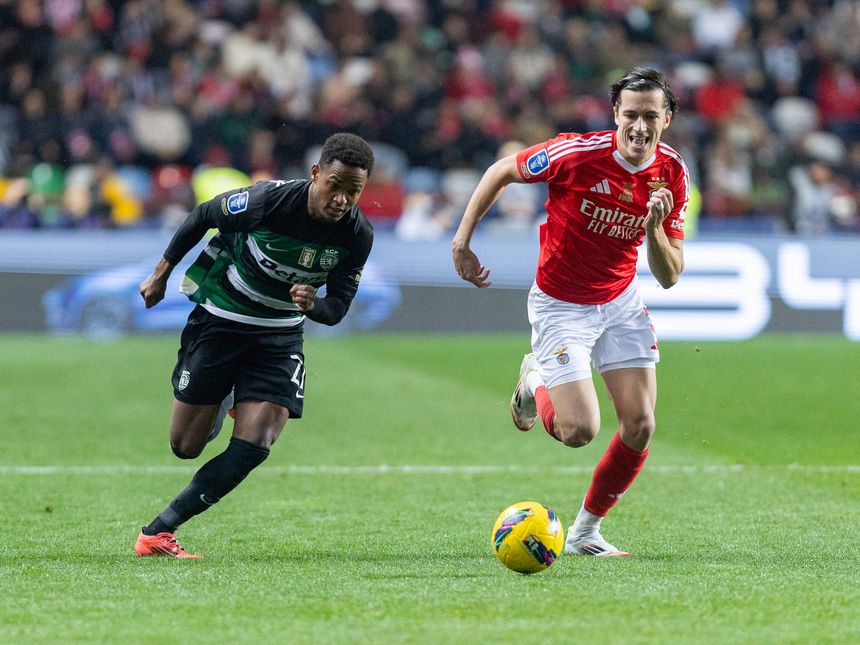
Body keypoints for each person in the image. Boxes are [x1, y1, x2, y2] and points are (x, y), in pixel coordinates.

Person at [452, 67, 688, 557]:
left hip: (620, 302)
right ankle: (534, 378)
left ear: (667, 119)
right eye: (630, 115)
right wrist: (462, 239)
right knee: (578, 431)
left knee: (641, 424)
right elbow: (501, 171)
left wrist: (654, 229)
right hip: (561, 305)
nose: (639, 127)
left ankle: (584, 534)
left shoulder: (673, 173)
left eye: (650, 116)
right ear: (614, 114)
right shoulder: (575, 154)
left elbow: (669, 275)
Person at [134, 132, 375, 558]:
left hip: (279, 336)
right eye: (335, 187)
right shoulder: (269, 201)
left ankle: (158, 532)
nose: (341, 200)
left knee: (257, 442)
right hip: (221, 320)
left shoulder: (357, 235)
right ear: (316, 173)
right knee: (184, 447)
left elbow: (338, 306)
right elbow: (203, 215)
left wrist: (313, 306)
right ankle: (226, 392)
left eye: (353, 192)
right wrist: (161, 273)